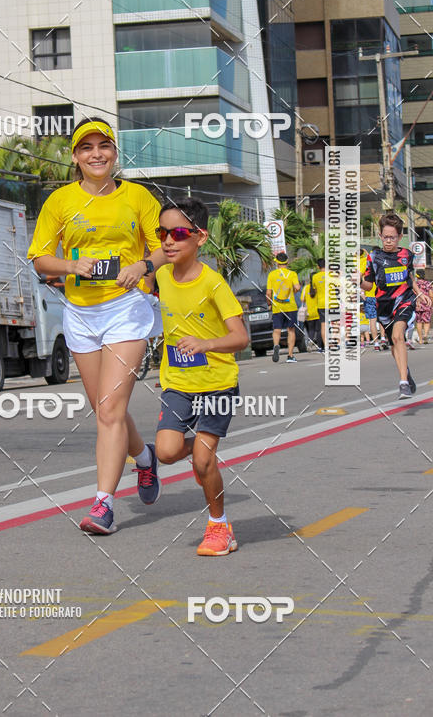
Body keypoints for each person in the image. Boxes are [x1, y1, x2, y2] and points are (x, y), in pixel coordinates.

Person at [28, 117, 168, 535]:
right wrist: (71, 264)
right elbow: (39, 257)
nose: (96, 154)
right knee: (106, 408)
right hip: (80, 313)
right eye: (86, 148)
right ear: (76, 157)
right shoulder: (60, 201)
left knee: (109, 410)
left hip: (127, 309)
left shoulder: (138, 196)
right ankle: (143, 458)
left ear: (114, 152)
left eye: (103, 146)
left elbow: (165, 245)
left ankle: (103, 503)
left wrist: (142, 265)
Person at [152, 198, 248, 556]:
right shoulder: (161, 275)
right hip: (177, 383)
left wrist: (205, 344)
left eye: (178, 233)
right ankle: (199, 455)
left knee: (204, 461)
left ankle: (219, 527)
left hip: (217, 384)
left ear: (200, 237)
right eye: (163, 233)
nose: (168, 241)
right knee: (165, 452)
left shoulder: (214, 284)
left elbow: (240, 338)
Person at [360, 214, 417, 399]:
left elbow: (409, 277)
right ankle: (405, 371)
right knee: (394, 345)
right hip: (383, 306)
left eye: (392, 237)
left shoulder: (406, 255)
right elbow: (369, 284)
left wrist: (420, 293)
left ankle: (403, 384)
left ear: (400, 237)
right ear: (380, 235)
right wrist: (358, 281)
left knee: (398, 335)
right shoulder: (374, 257)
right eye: (385, 237)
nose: (388, 241)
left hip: (404, 300)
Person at [266, 252, 300, 363]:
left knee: (277, 330)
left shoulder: (272, 275)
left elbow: (268, 293)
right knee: (291, 330)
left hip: (277, 307)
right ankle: (290, 355)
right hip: (290, 306)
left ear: (277, 263)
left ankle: (276, 345)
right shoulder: (292, 274)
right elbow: (297, 287)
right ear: (287, 262)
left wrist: (269, 304)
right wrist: (294, 290)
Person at [359, 248, 379, 347]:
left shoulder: (365, 265)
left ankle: (376, 343)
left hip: (369, 296)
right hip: (381, 296)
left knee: (373, 320)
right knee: (384, 319)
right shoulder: (382, 264)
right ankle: (383, 338)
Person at [300, 273, 322, 351]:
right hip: (318, 312)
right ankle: (320, 347)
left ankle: (310, 342)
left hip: (309, 313)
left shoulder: (306, 288)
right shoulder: (318, 287)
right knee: (319, 330)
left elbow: (302, 299)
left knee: (311, 330)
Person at [414, 269, 433, 344]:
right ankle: (425, 335)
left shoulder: (415, 284)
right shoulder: (427, 284)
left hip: (417, 305)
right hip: (427, 304)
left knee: (419, 322)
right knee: (426, 321)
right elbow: (431, 295)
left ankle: (421, 339)